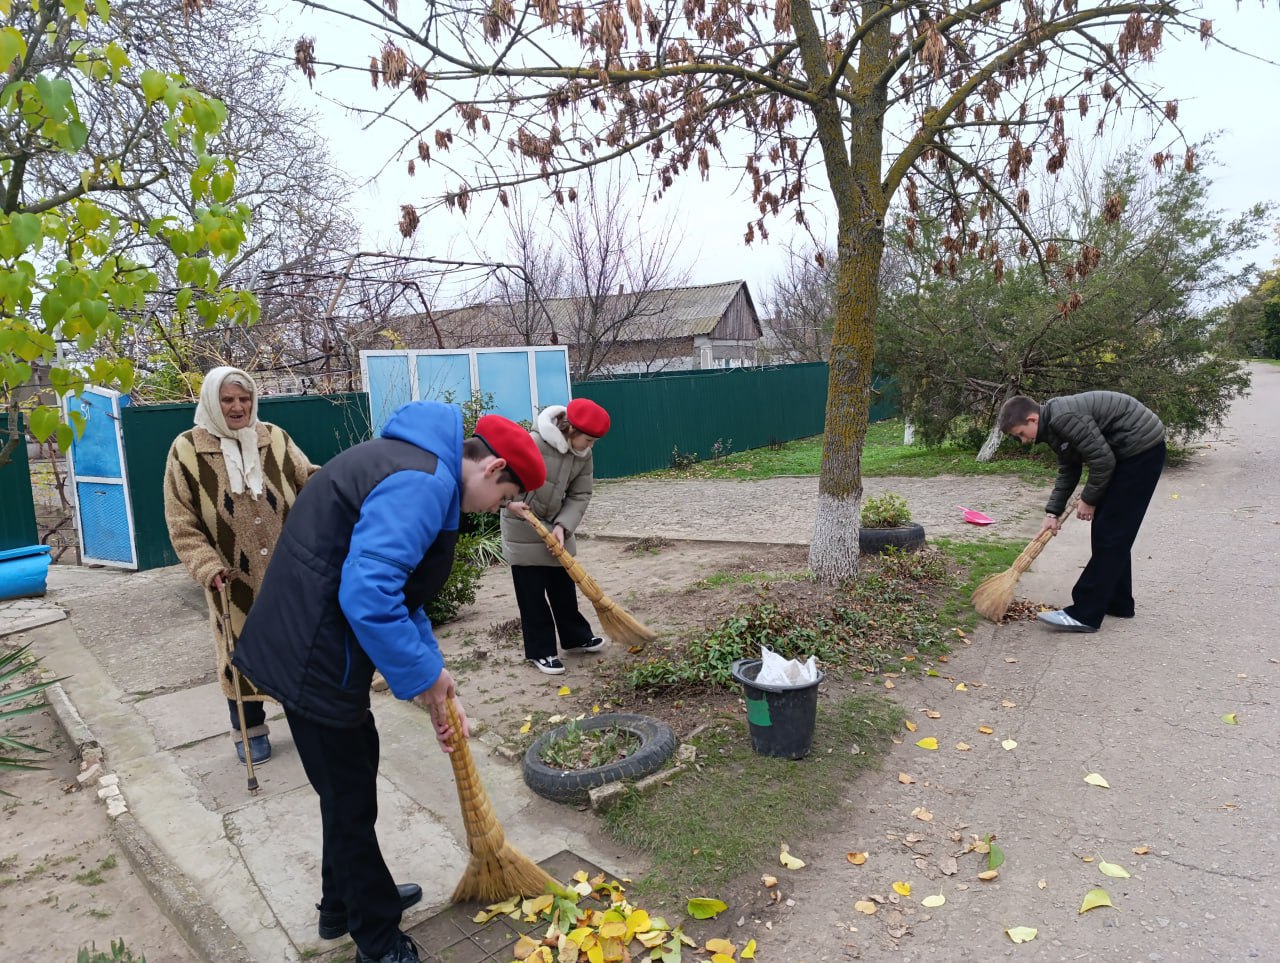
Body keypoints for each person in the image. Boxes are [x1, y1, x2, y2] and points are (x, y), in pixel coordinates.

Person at [231, 401, 545, 963]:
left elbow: (401, 593)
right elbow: (369, 596)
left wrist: (434, 679)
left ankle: (342, 902)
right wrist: (424, 680)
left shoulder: (416, 462)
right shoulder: (422, 483)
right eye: (500, 500)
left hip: (309, 645)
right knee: (350, 796)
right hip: (314, 655)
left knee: (347, 781)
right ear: (494, 468)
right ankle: (376, 938)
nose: (488, 511)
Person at [163, 365, 318, 766]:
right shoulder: (186, 450)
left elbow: (310, 481)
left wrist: (340, 488)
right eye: (228, 400)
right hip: (232, 580)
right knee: (241, 655)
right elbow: (182, 522)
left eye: (244, 398)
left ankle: (309, 724)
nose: (237, 407)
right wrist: (206, 566)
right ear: (213, 402)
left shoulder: (276, 439)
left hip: (289, 573)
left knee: (299, 650)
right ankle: (250, 731)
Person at [997, 390, 1166, 633]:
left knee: (1112, 531)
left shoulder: (1063, 418)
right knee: (1109, 530)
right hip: (1126, 453)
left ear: (1033, 419)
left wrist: (1088, 499)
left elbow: (1103, 462)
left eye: (1021, 434)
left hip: (1141, 451)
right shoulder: (1053, 426)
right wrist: (1052, 513)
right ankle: (1118, 602)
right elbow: (1069, 469)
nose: (1023, 441)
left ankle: (1085, 613)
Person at [501, 398, 611, 675]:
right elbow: (496, 475)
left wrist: (564, 525)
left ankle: (575, 637)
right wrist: (508, 503)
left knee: (564, 586)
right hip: (522, 523)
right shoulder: (531, 442)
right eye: (588, 439)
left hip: (557, 525)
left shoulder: (583, 454)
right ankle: (541, 651)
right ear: (571, 429)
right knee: (532, 594)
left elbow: (580, 494)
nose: (590, 446)